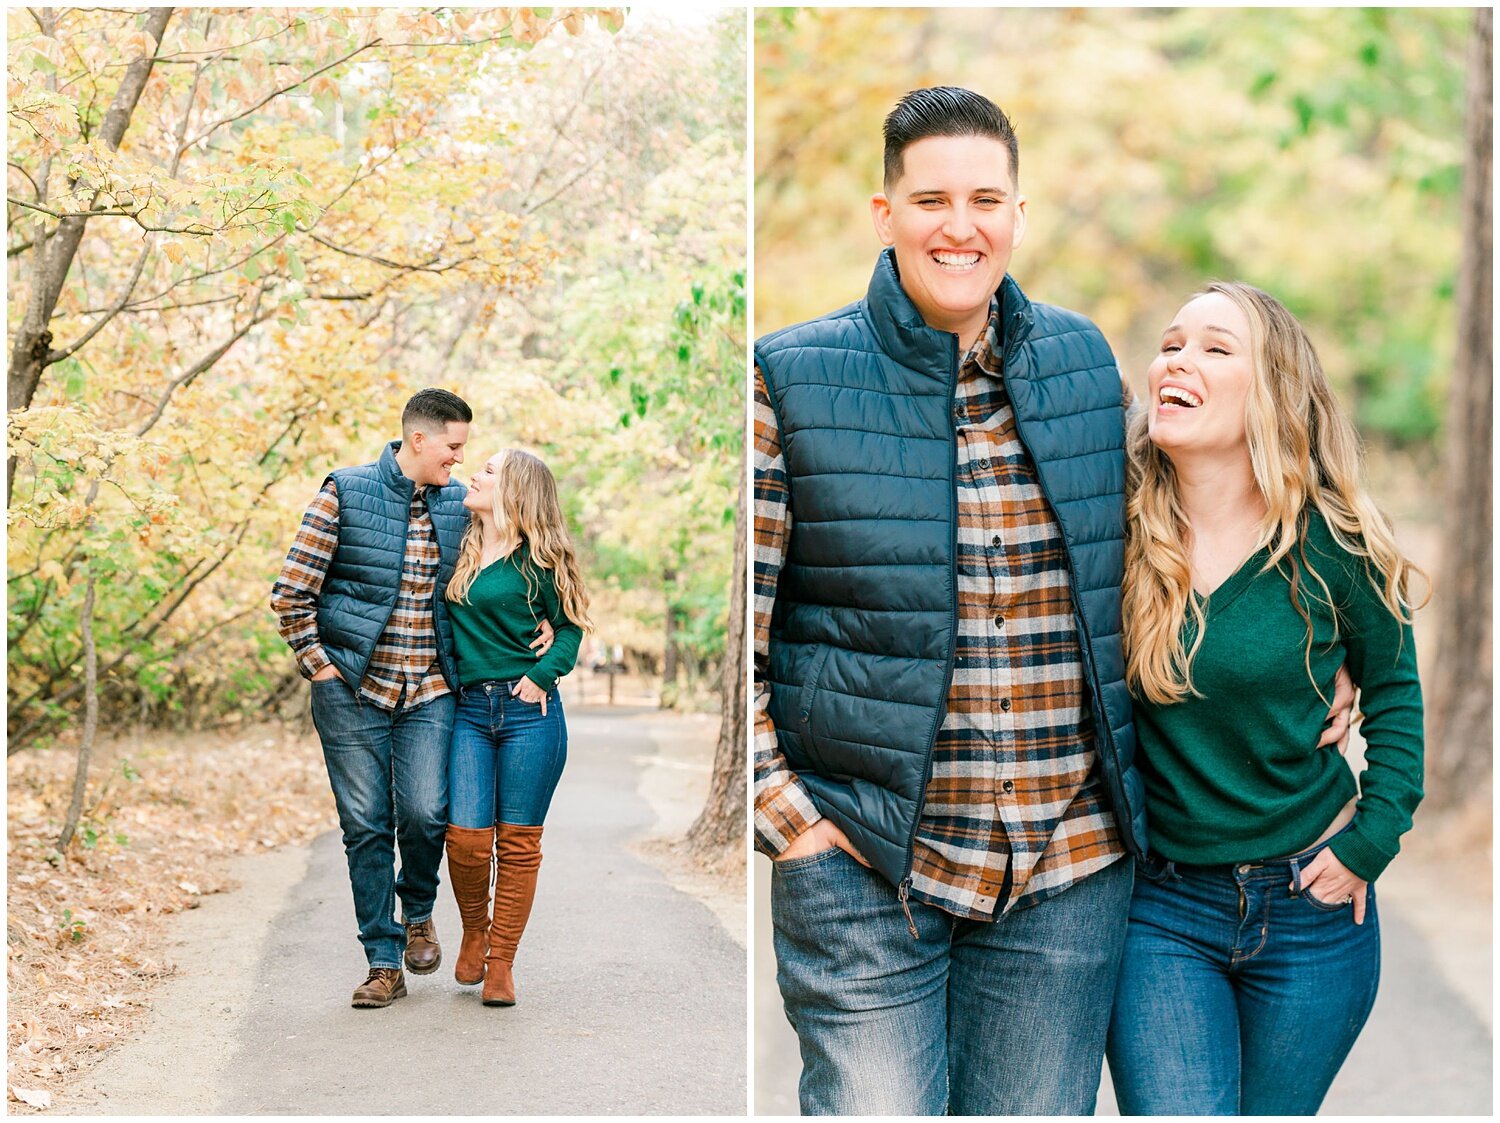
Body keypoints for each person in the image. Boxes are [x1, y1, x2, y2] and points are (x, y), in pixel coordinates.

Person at [753, 86, 1147, 1116]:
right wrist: (789, 818)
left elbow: (1169, 560)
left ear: (1020, 212)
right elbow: (736, 626)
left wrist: (1312, 661)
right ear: (885, 216)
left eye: (985, 198)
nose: (959, 225)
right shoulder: (789, 378)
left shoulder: (1083, 363)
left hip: (1066, 868)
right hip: (868, 870)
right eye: (931, 199)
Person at [1105, 283, 1426, 1115]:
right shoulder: (1116, 527)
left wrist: (1374, 837)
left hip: (1312, 911)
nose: (1179, 359)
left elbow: (1393, 690)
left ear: (1273, 390)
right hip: (1163, 908)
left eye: (1216, 348)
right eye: (1172, 343)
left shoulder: (1333, 542)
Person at [271, 389, 552, 1008]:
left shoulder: (461, 507)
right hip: (350, 690)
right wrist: (319, 668)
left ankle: (419, 910)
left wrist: (549, 620)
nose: (460, 459)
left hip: (431, 690)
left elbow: (522, 553)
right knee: (365, 826)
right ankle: (382, 960)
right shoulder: (344, 492)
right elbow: (291, 592)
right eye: (454, 447)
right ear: (419, 440)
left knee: (427, 813)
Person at [440, 448, 589, 1008]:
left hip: (532, 715)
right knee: (468, 839)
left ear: (516, 491)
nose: (473, 475)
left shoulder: (540, 561)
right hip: (470, 712)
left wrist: (540, 675)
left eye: (488, 471)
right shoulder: (461, 545)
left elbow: (571, 629)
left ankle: (501, 961)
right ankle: (473, 929)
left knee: (519, 845)